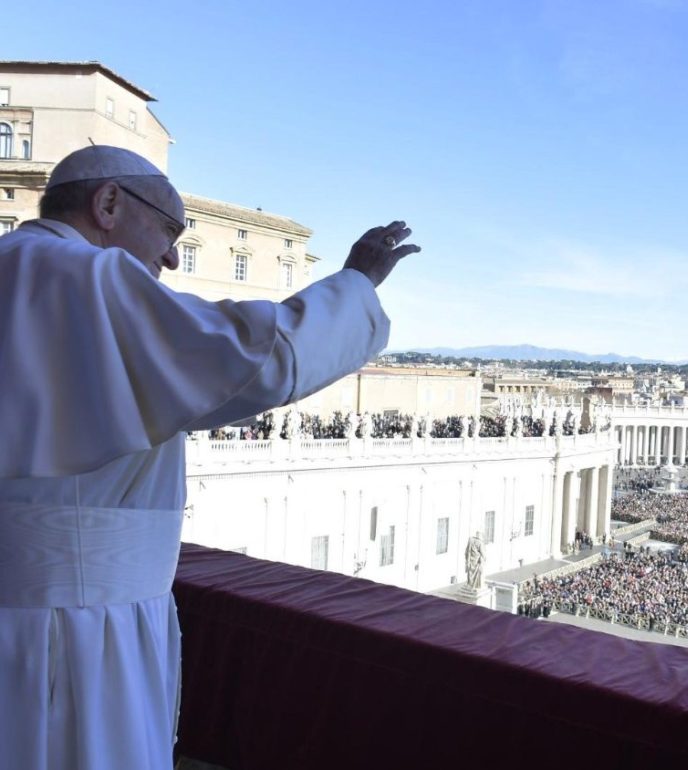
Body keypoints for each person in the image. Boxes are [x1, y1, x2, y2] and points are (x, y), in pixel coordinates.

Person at [0, 145, 420, 770]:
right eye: (170, 231)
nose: (171, 256)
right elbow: (256, 359)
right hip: (71, 630)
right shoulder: (82, 275)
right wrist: (355, 283)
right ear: (109, 203)